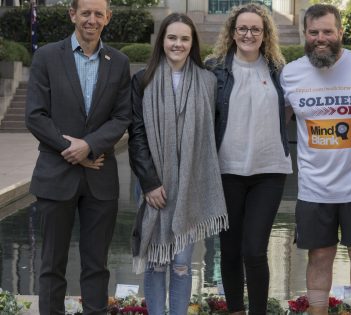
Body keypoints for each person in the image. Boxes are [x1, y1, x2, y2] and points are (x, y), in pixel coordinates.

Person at [25, 0, 131, 313]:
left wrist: (89, 146)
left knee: (97, 266)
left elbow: (122, 117)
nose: (92, 19)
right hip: (56, 175)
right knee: (52, 265)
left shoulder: (120, 62)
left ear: (108, 18)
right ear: (73, 14)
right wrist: (72, 150)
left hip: (100, 178)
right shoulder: (46, 56)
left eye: (99, 13)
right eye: (86, 12)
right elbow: (36, 115)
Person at [280, 4, 351, 315]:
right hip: (314, 189)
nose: (320, 38)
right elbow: (274, 121)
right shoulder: (291, 73)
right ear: (305, 34)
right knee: (319, 256)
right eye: (314, 32)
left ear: (340, 32)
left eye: (327, 31)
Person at [128, 13, 228, 315]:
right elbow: (136, 133)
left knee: (182, 264)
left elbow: (210, 134)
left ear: (192, 43)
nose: (178, 44)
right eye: (172, 37)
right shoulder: (143, 79)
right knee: (157, 260)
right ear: (163, 41)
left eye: (185, 38)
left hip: (191, 185)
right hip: (153, 185)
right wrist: (149, 183)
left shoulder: (208, 82)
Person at [205, 3, 292, 315]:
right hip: (226, 171)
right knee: (229, 250)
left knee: (254, 250)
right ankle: (235, 310)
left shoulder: (280, 71)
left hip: (269, 172)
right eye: (242, 28)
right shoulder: (214, 68)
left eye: (256, 29)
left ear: (265, 33)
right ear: (232, 31)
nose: (248, 34)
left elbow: (295, 106)